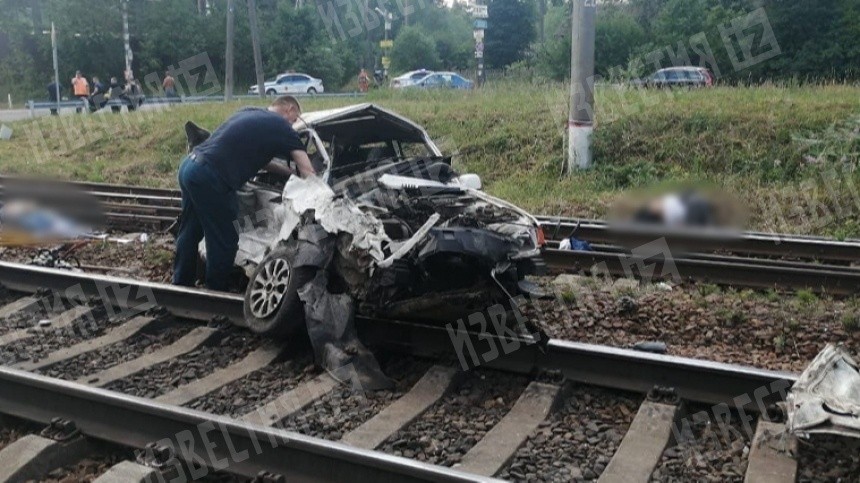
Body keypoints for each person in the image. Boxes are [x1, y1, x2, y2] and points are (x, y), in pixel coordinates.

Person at [173, 95, 317, 290]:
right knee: (225, 238)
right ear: (290, 110)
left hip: (189, 166)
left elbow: (261, 159)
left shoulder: (249, 112)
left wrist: (289, 173)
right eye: (295, 119)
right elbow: (308, 170)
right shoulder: (282, 127)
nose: (293, 125)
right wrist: (319, 191)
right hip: (211, 177)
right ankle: (215, 291)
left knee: (191, 230)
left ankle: (180, 284)